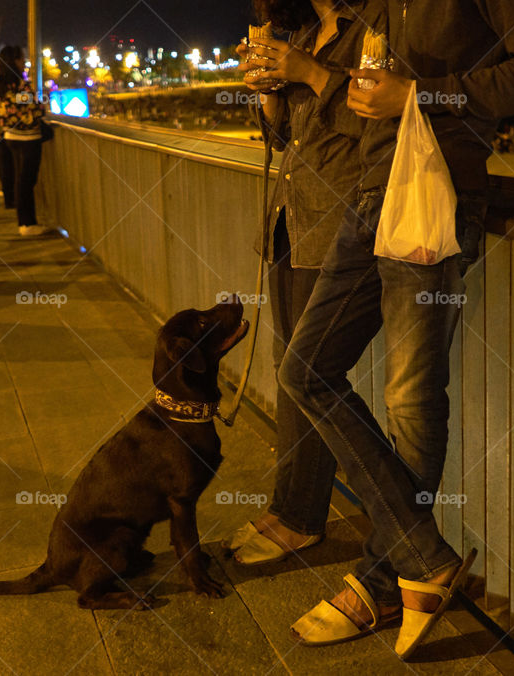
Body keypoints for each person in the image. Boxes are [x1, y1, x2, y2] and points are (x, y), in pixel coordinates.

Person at [272, 0, 514, 657]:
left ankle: (382, 583)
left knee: (410, 397)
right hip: (371, 193)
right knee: (304, 370)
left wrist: (421, 93)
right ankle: (423, 554)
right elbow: (363, 105)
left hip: (437, 190)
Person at [222, 0, 368, 568]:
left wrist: (308, 71)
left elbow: (378, 125)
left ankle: (303, 517)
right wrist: (267, 85)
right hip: (290, 222)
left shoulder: (370, 31)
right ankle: (289, 509)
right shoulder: (308, 31)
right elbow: (283, 137)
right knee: (290, 374)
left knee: (307, 375)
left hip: (337, 227)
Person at [0, 45, 50, 236]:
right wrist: (40, 104)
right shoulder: (19, 85)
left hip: (11, 136)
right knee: (26, 181)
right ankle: (27, 224)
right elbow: (35, 107)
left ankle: (25, 222)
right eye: (21, 59)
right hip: (28, 138)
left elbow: (13, 105)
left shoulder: (1, 85)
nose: (24, 62)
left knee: (21, 179)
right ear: (14, 61)